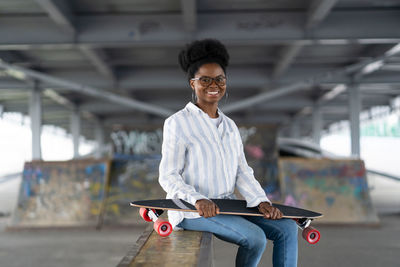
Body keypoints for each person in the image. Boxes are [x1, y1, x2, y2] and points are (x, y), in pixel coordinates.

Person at [158, 39, 298, 267]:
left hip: (227, 204)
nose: (213, 84)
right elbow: (168, 175)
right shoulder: (177, 123)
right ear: (192, 83)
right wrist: (198, 199)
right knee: (255, 238)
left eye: (219, 79)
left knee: (288, 229)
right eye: (205, 79)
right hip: (191, 210)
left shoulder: (230, 126)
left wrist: (260, 201)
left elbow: (242, 171)